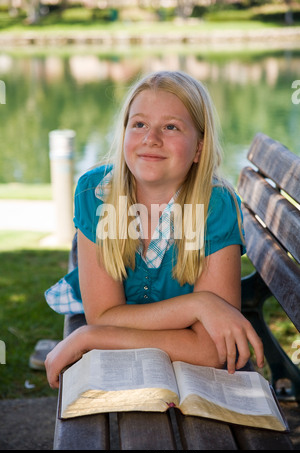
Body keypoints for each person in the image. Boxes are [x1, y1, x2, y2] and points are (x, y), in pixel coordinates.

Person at [45, 70, 264, 389]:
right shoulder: (94, 194)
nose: (151, 138)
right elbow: (104, 315)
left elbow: (209, 350)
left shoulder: (215, 206)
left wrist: (91, 337)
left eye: (171, 127)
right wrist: (199, 304)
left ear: (199, 149)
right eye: (139, 124)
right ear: (124, 135)